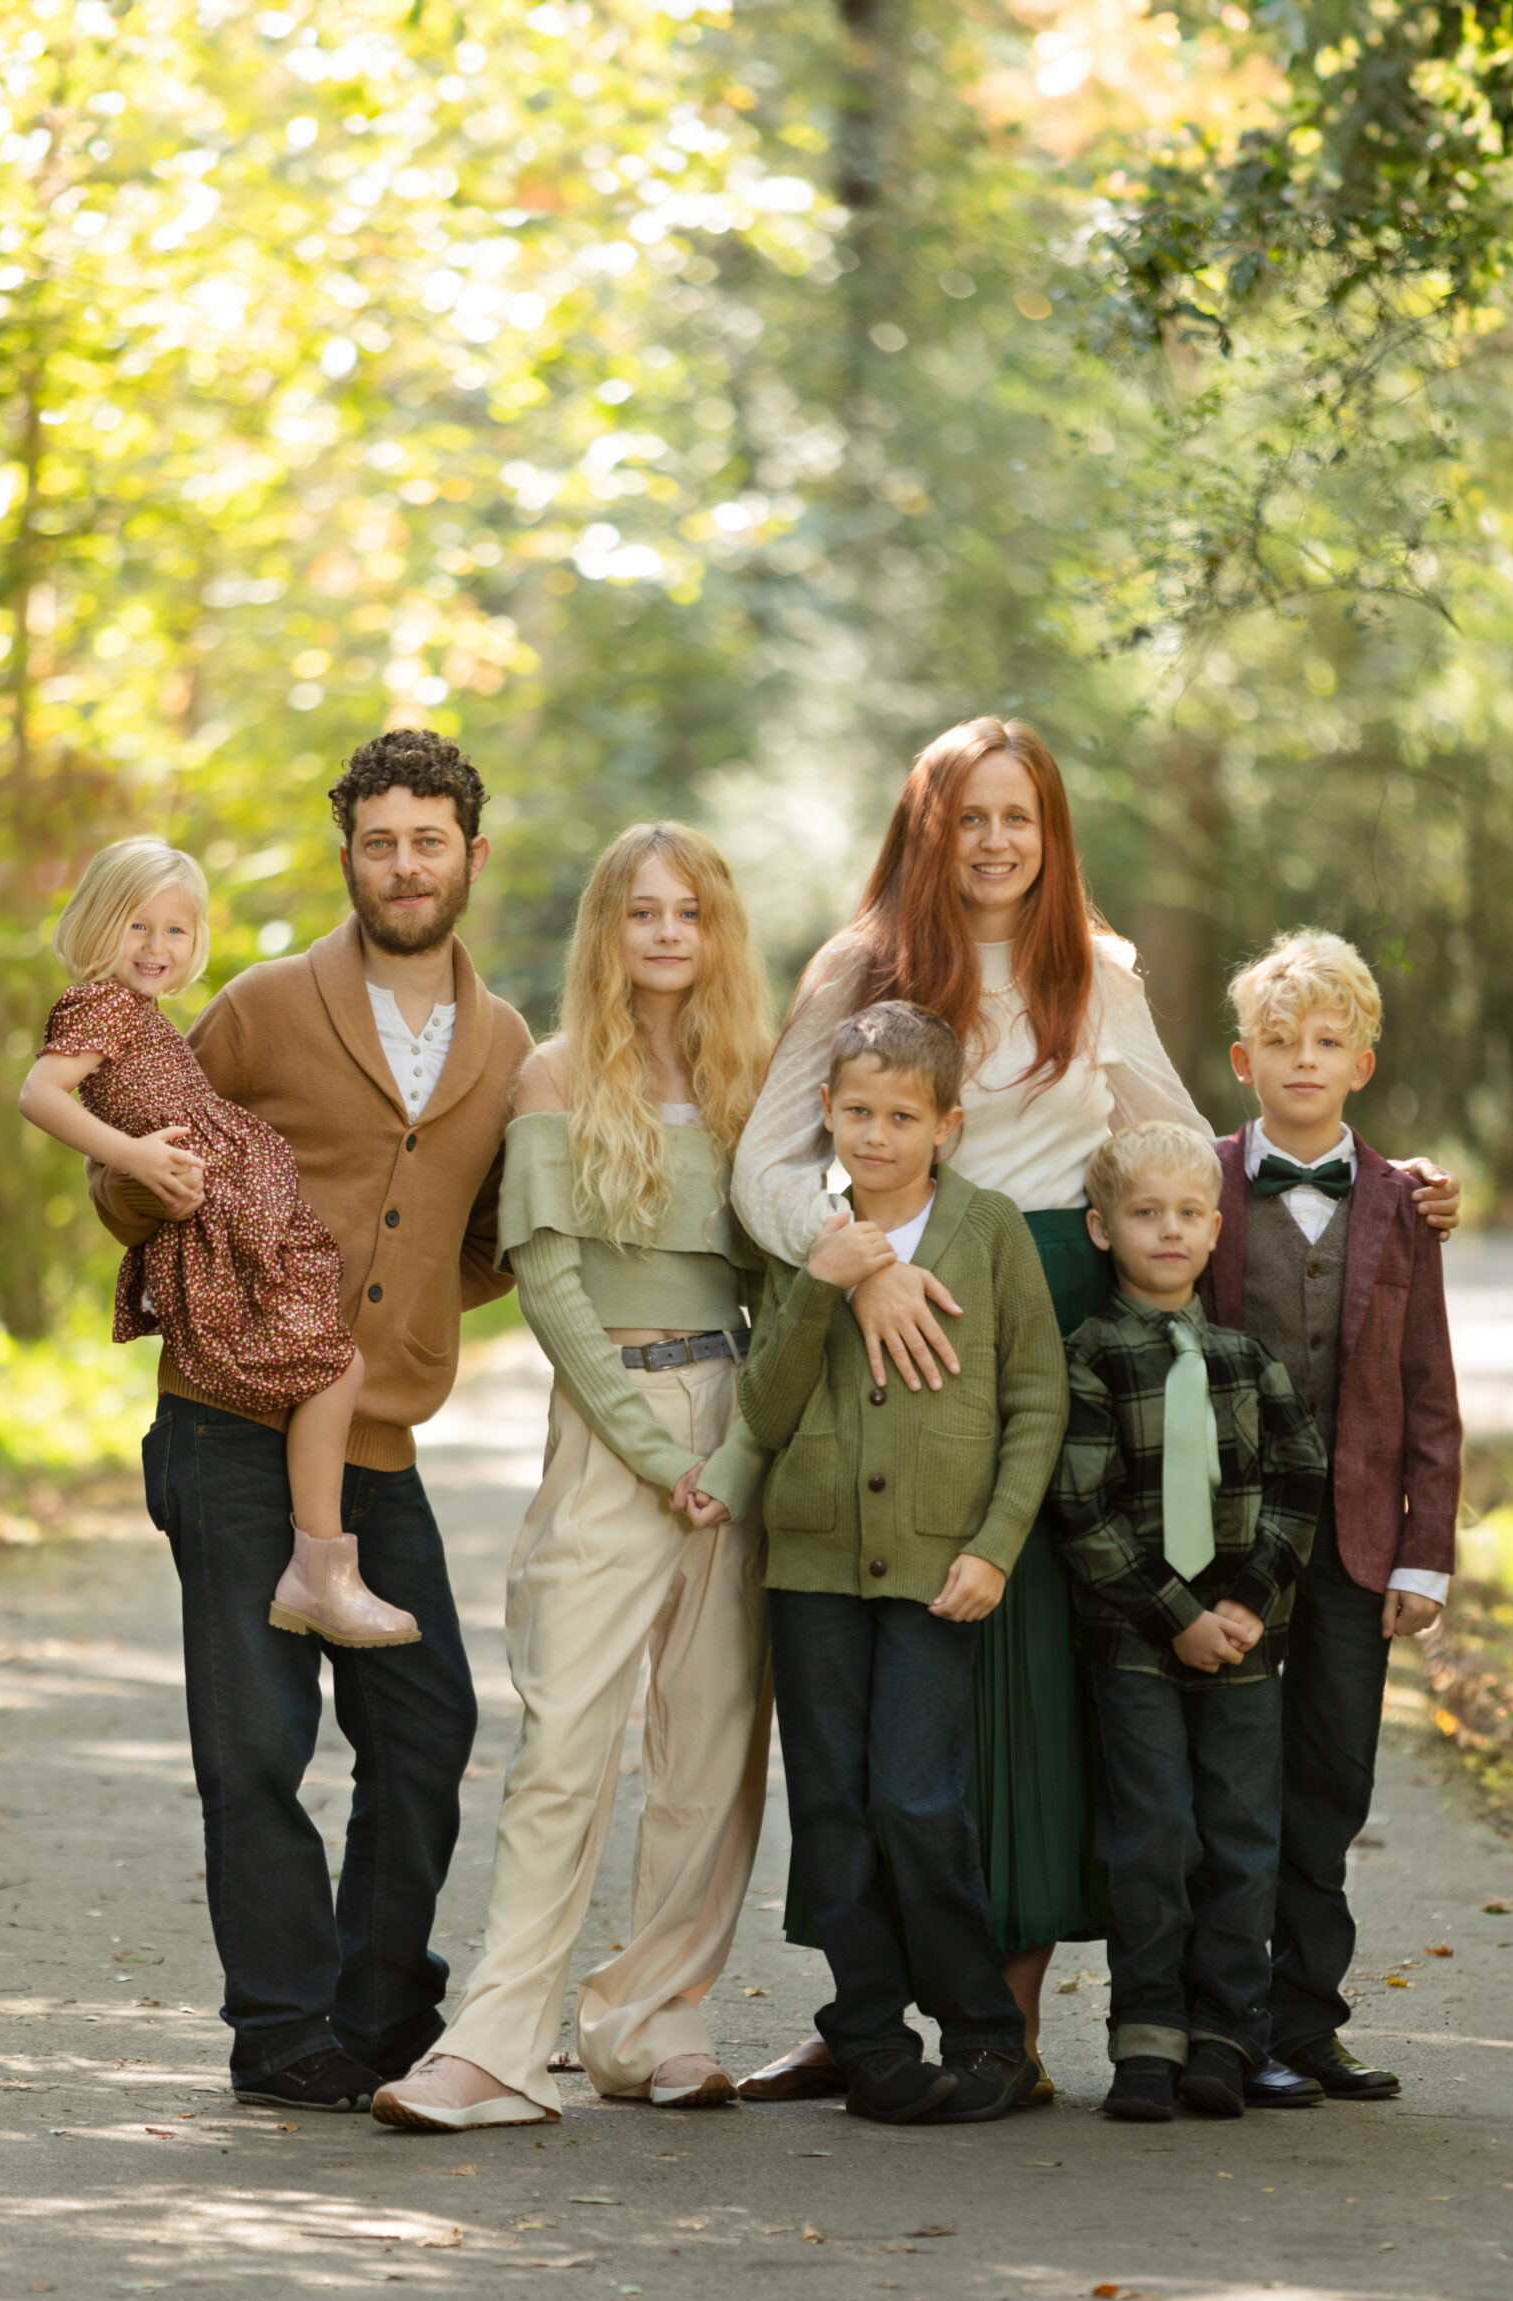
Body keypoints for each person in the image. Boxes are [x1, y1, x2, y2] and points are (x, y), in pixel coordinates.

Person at [732, 716, 1461, 2107]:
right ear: (925, 828)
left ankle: (997, 2016)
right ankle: (864, 2003)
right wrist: (856, 1262)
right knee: (886, 1688)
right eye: (969, 818)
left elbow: (1179, 1152)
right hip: (893, 1310)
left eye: (1021, 818)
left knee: (1032, 1686)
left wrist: (1377, 1180)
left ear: (1050, 835)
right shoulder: (856, 967)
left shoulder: (1094, 975)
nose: (995, 843)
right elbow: (765, 1163)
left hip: (1057, 1327)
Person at [81, 729, 532, 2113]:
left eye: (429, 840)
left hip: (375, 1446)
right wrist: (166, 1214)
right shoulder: (261, 1009)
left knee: (427, 1722)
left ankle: (379, 2002)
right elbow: (129, 1164)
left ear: (469, 854)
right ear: (348, 853)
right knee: (257, 1746)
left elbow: (491, 1235)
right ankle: (281, 2035)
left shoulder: (506, 1040)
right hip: (223, 1428)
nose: (405, 864)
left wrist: (398, 1325)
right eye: (380, 839)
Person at [374, 824, 775, 2132]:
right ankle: (495, 2044)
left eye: (687, 913)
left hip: (744, 1417)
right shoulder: (551, 1077)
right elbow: (544, 1281)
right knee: (565, 1743)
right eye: (638, 912)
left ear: (715, 933)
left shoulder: (755, 1079)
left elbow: (790, 1278)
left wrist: (737, 1443)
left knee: (711, 1743)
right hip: (615, 1428)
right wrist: (657, 1448)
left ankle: (655, 2018)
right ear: (604, 931)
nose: (664, 933)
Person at [740, 1001, 1067, 2125]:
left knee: (918, 1801)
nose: (876, 1135)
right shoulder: (809, 1237)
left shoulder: (990, 1230)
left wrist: (994, 1547)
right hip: (813, 1569)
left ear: (947, 1126)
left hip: (939, 1573)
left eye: (902, 1116)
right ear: (825, 1113)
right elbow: (766, 1405)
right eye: (858, 1112)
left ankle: (988, 2033)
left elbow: (1037, 1401)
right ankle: (869, 2032)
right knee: (831, 1809)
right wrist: (823, 1279)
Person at [21, 836, 419, 1650]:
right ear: (99, 923)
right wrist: (128, 1152)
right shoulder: (98, 1007)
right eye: (138, 927)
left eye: (176, 931)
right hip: (207, 1239)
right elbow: (38, 1094)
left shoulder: (143, 1017)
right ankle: (320, 1570)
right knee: (333, 1366)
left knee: (331, 1366)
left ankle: (321, 1566)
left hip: (228, 1224)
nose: (157, 948)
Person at [1200, 931, 1461, 2100]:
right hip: (1225, 1543)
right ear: (1243, 1058)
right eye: (1282, 1041)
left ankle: (1308, 2022)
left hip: (1356, 1548)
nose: (1304, 1059)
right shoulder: (1197, 1181)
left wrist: (1427, 1553)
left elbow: (1429, 1390)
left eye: (1328, 1041)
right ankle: (1227, 2024)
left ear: (1361, 1062)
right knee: (1234, 1784)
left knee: (1332, 1780)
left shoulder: (1407, 1203)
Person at [1046, 1123, 1326, 2123]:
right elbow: (1082, 1508)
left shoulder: (1247, 1360)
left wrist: (1243, 1604)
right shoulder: (1088, 1359)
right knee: (1153, 1837)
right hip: (1134, 1649)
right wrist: (1177, 1618)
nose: (1168, 1230)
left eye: (1187, 1213)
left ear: (1217, 1229)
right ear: (1100, 1228)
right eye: (1144, 1213)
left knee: (1241, 1837)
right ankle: (1148, 2039)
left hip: (1246, 1650)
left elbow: (1302, 1481)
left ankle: (1225, 2037)